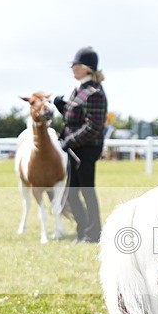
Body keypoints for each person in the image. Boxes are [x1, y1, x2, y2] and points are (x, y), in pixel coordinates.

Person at [54, 47, 108, 243]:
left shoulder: (95, 93)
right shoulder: (79, 90)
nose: (72, 68)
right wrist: (63, 107)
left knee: (86, 191)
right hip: (74, 149)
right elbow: (75, 118)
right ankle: (83, 230)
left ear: (86, 68)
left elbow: (93, 126)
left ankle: (93, 233)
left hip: (86, 150)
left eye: (75, 64)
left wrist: (71, 140)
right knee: (71, 193)